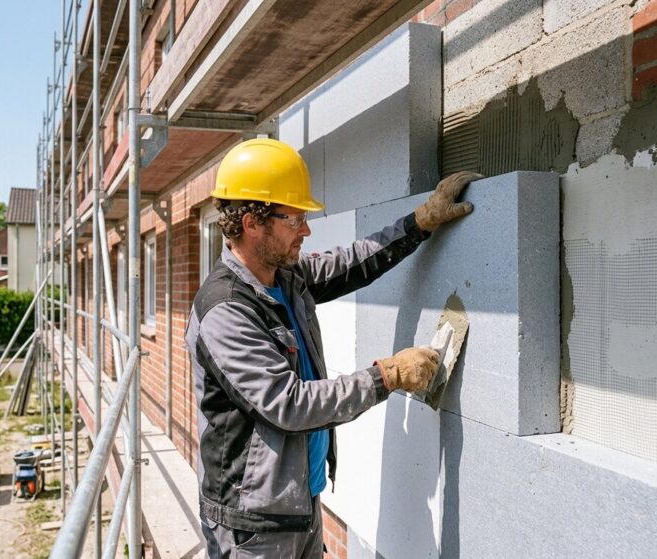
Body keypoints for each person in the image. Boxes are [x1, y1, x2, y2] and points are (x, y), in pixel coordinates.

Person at [185, 138, 480, 558]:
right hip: (252, 529)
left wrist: (421, 222)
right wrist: (388, 376)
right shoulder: (225, 311)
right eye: (294, 220)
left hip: (298, 502)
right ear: (252, 223)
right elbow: (289, 405)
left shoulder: (284, 276)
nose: (305, 230)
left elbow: (352, 262)